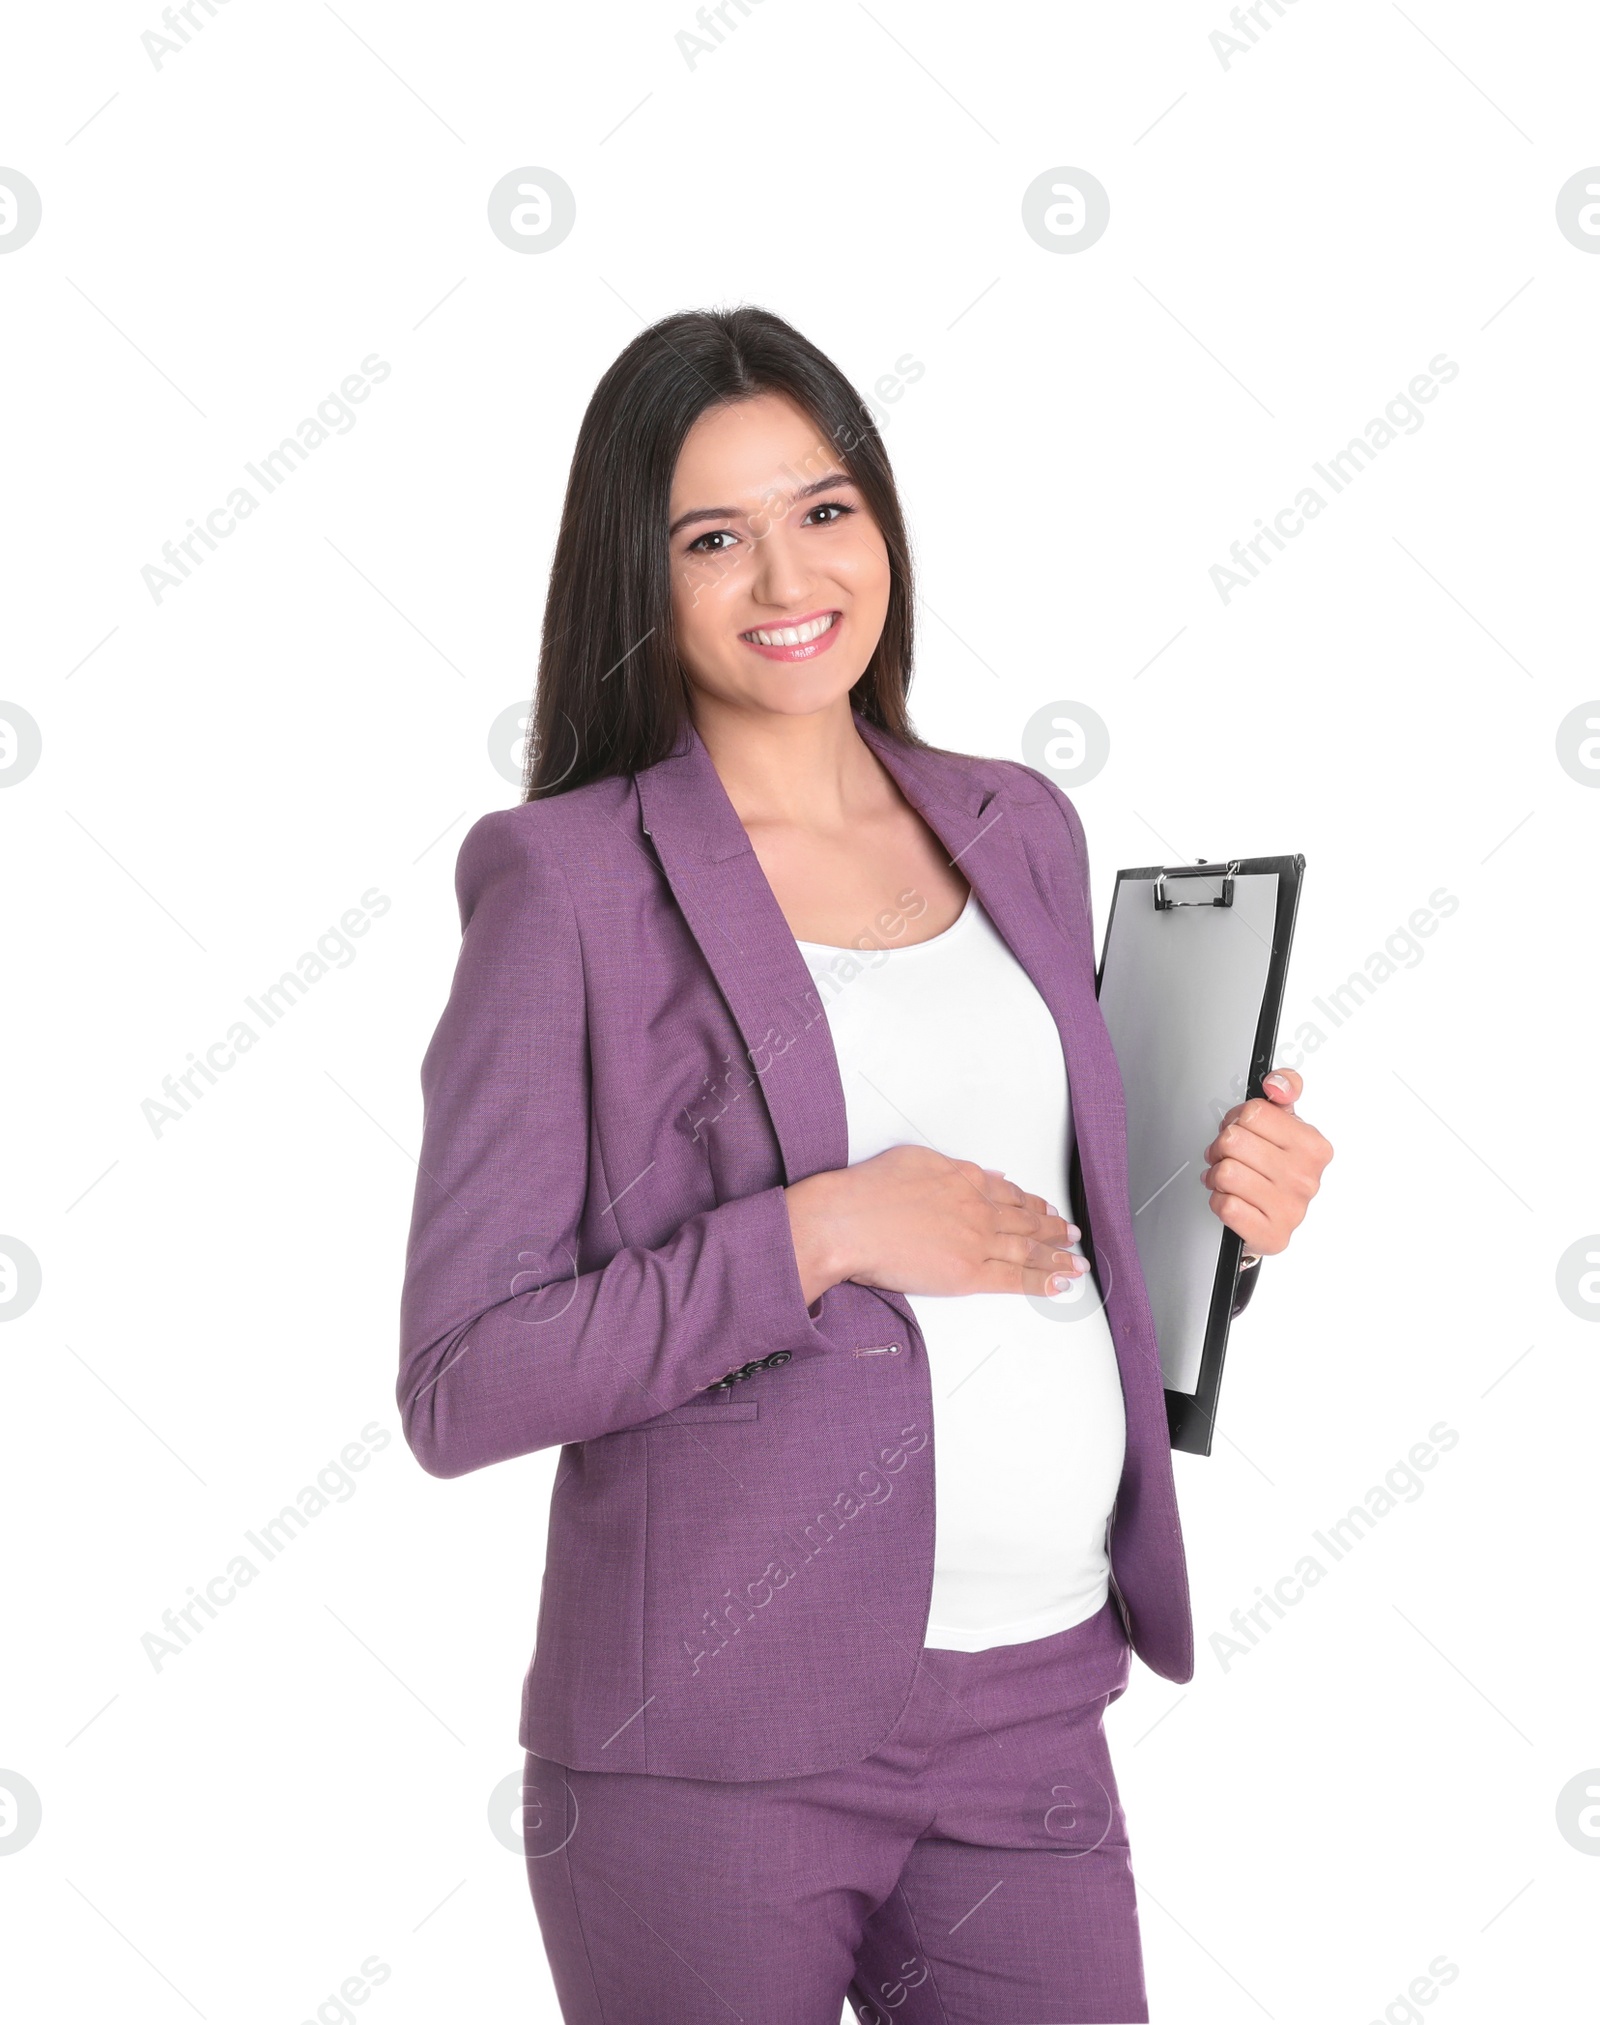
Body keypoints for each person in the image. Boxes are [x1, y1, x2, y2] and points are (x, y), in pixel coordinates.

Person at [397, 306, 1332, 2024]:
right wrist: (817, 1230)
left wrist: (1224, 1213)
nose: (784, 575)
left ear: (882, 521)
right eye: (711, 536)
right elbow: (464, 1378)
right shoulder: (565, 884)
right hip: (707, 1750)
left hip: (1039, 1703)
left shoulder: (1014, 823)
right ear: (640, 575)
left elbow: (1058, 1228)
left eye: (823, 509)